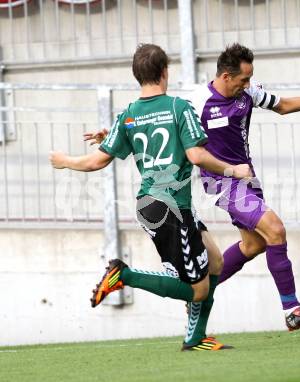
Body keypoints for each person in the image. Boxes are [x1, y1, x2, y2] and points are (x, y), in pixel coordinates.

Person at [49, 43, 252, 351]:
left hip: (159, 204)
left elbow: (97, 161)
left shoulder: (129, 115)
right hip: (169, 207)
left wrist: (65, 161)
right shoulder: (177, 107)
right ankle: (124, 275)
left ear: (137, 75)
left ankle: (195, 337)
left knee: (216, 261)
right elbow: (196, 155)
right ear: (164, 72)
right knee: (196, 290)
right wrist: (233, 170)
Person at [186, 43, 300, 331]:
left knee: (254, 244)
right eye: (243, 79)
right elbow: (170, 134)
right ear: (225, 77)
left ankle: (198, 291)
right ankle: (291, 308)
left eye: (249, 78)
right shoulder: (197, 102)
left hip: (247, 179)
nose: (248, 84)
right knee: (275, 228)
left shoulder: (248, 91)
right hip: (220, 182)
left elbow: (281, 105)